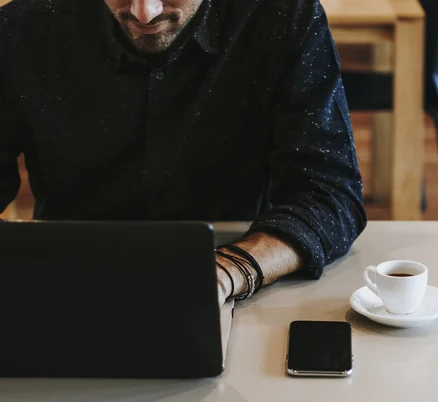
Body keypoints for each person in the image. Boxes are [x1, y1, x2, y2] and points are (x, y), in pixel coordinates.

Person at [0, 0, 367, 306]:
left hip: (239, 270)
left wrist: (229, 270)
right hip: (61, 275)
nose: (144, 13)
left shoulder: (281, 16)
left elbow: (329, 192)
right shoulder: (22, 28)